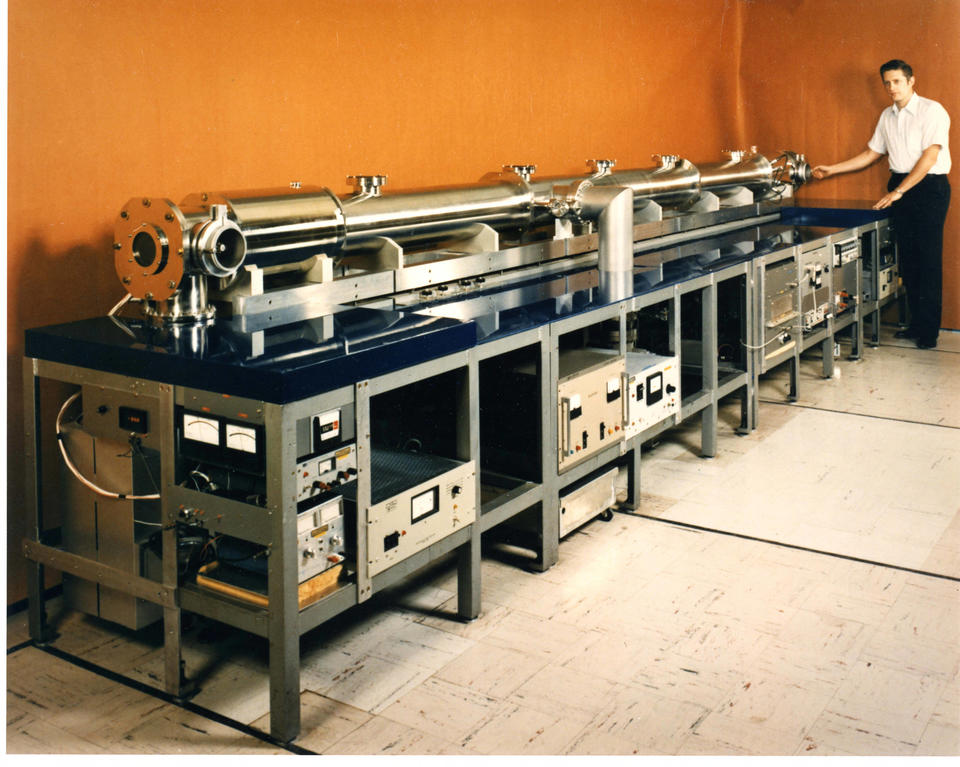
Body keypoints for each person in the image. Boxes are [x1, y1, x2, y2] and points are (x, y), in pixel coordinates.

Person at [812, 59, 951, 349]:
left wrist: (900, 191)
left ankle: (929, 333)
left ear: (912, 81)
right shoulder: (887, 116)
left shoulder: (932, 110)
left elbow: (930, 156)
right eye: (887, 82)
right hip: (900, 185)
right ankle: (915, 325)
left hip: (927, 188)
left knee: (927, 261)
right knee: (909, 261)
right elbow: (871, 153)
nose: (891, 88)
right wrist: (832, 169)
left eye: (897, 81)